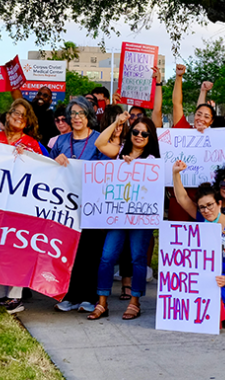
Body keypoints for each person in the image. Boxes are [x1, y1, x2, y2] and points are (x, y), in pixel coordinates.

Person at [88, 114, 160, 321]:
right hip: (117, 216)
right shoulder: (119, 154)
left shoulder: (153, 162)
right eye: (136, 131)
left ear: (150, 138)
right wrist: (116, 123)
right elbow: (100, 143)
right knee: (107, 256)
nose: (139, 135)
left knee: (138, 258)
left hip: (141, 217)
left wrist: (136, 167)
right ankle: (102, 302)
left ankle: (134, 302)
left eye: (144, 133)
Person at [0, 96, 44, 314]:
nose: (18, 117)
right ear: (7, 116)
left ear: (27, 123)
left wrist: (27, 158)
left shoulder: (31, 143)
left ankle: (15, 295)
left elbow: (40, 171)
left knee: (18, 247)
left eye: (22, 116)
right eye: (14, 113)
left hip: (19, 204)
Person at [172, 163, 225, 329]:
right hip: (209, 276)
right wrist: (176, 173)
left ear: (219, 204)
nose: (206, 210)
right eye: (202, 207)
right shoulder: (202, 220)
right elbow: (183, 199)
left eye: (210, 205)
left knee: (212, 281)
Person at [50, 96, 104, 314]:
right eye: (72, 114)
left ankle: (89, 297)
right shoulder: (61, 142)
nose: (76, 118)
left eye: (81, 113)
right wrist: (55, 162)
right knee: (68, 251)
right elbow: (48, 170)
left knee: (90, 253)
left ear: (89, 115)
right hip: (67, 207)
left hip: (93, 207)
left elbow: (107, 171)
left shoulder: (100, 140)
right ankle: (69, 295)